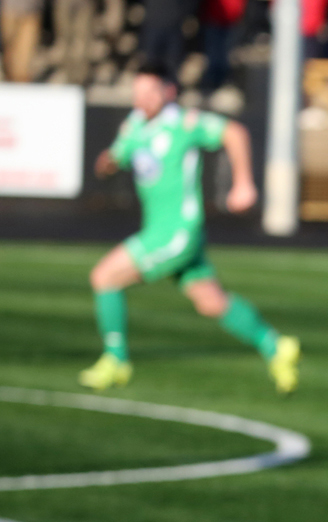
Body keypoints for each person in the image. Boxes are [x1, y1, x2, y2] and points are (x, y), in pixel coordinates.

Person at [79, 63, 300, 395]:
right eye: (138, 92)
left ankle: (116, 359)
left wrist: (243, 184)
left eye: (151, 91)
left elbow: (235, 133)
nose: (143, 98)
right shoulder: (134, 126)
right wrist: (108, 162)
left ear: (169, 91)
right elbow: (115, 158)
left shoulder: (185, 123)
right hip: (164, 230)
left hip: (176, 232)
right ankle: (276, 347)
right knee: (210, 301)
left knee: (104, 277)